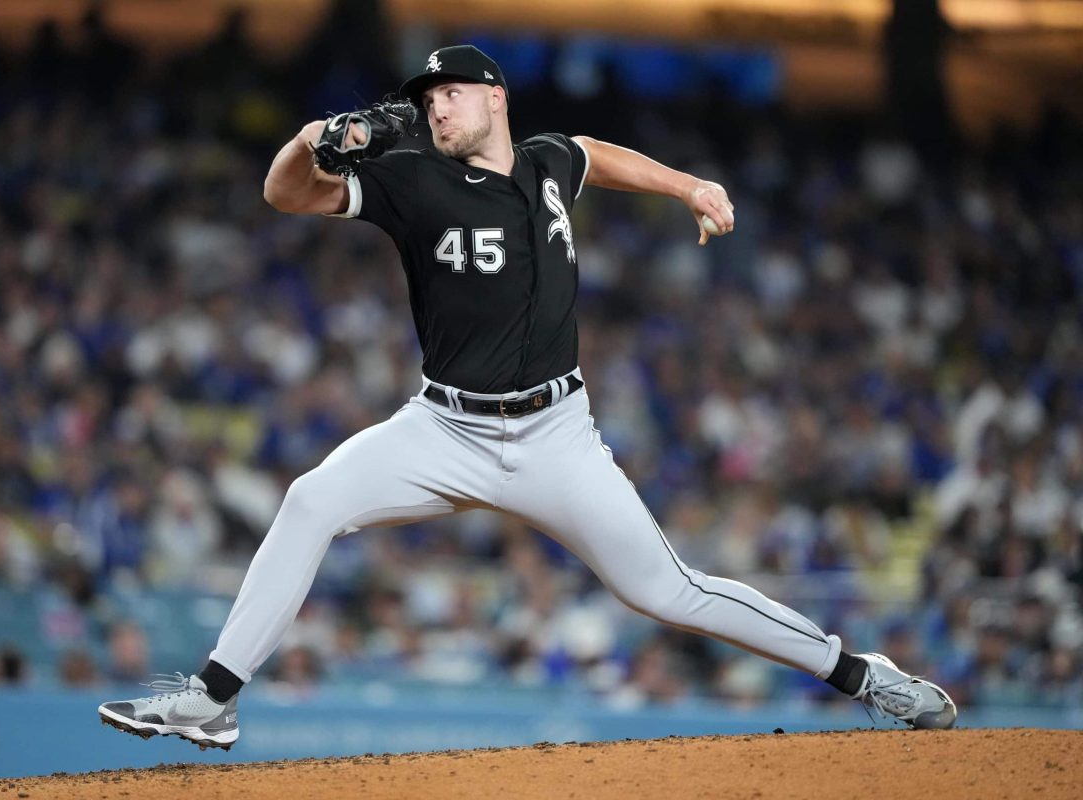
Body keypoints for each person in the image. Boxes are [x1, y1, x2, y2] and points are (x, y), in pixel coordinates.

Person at [98, 45, 956, 750]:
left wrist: (687, 185)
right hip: (442, 427)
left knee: (668, 591)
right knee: (311, 498)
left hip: (556, 436)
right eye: (426, 98)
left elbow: (598, 155)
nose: (434, 108)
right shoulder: (410, 180)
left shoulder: (546, 160)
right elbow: (286, 193)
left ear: (494, 97)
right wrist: (314, 137)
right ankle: (215, 696)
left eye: (449, 93)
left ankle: (864, 675)